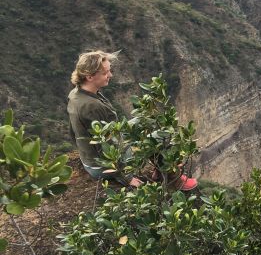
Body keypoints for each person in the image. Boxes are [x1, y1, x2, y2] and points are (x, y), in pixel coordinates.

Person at [67, 50, 197, 190]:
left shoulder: (77, 93)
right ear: (90, 76)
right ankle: (174, 179)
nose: (110, 75)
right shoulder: (90, 106)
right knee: (161, 136)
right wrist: (126, 177)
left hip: (94, 155)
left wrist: (84, 152)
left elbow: (73, 131)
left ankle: (160, 170)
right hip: (102, 166)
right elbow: (104, 148)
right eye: (105, 73)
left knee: (146, 120)